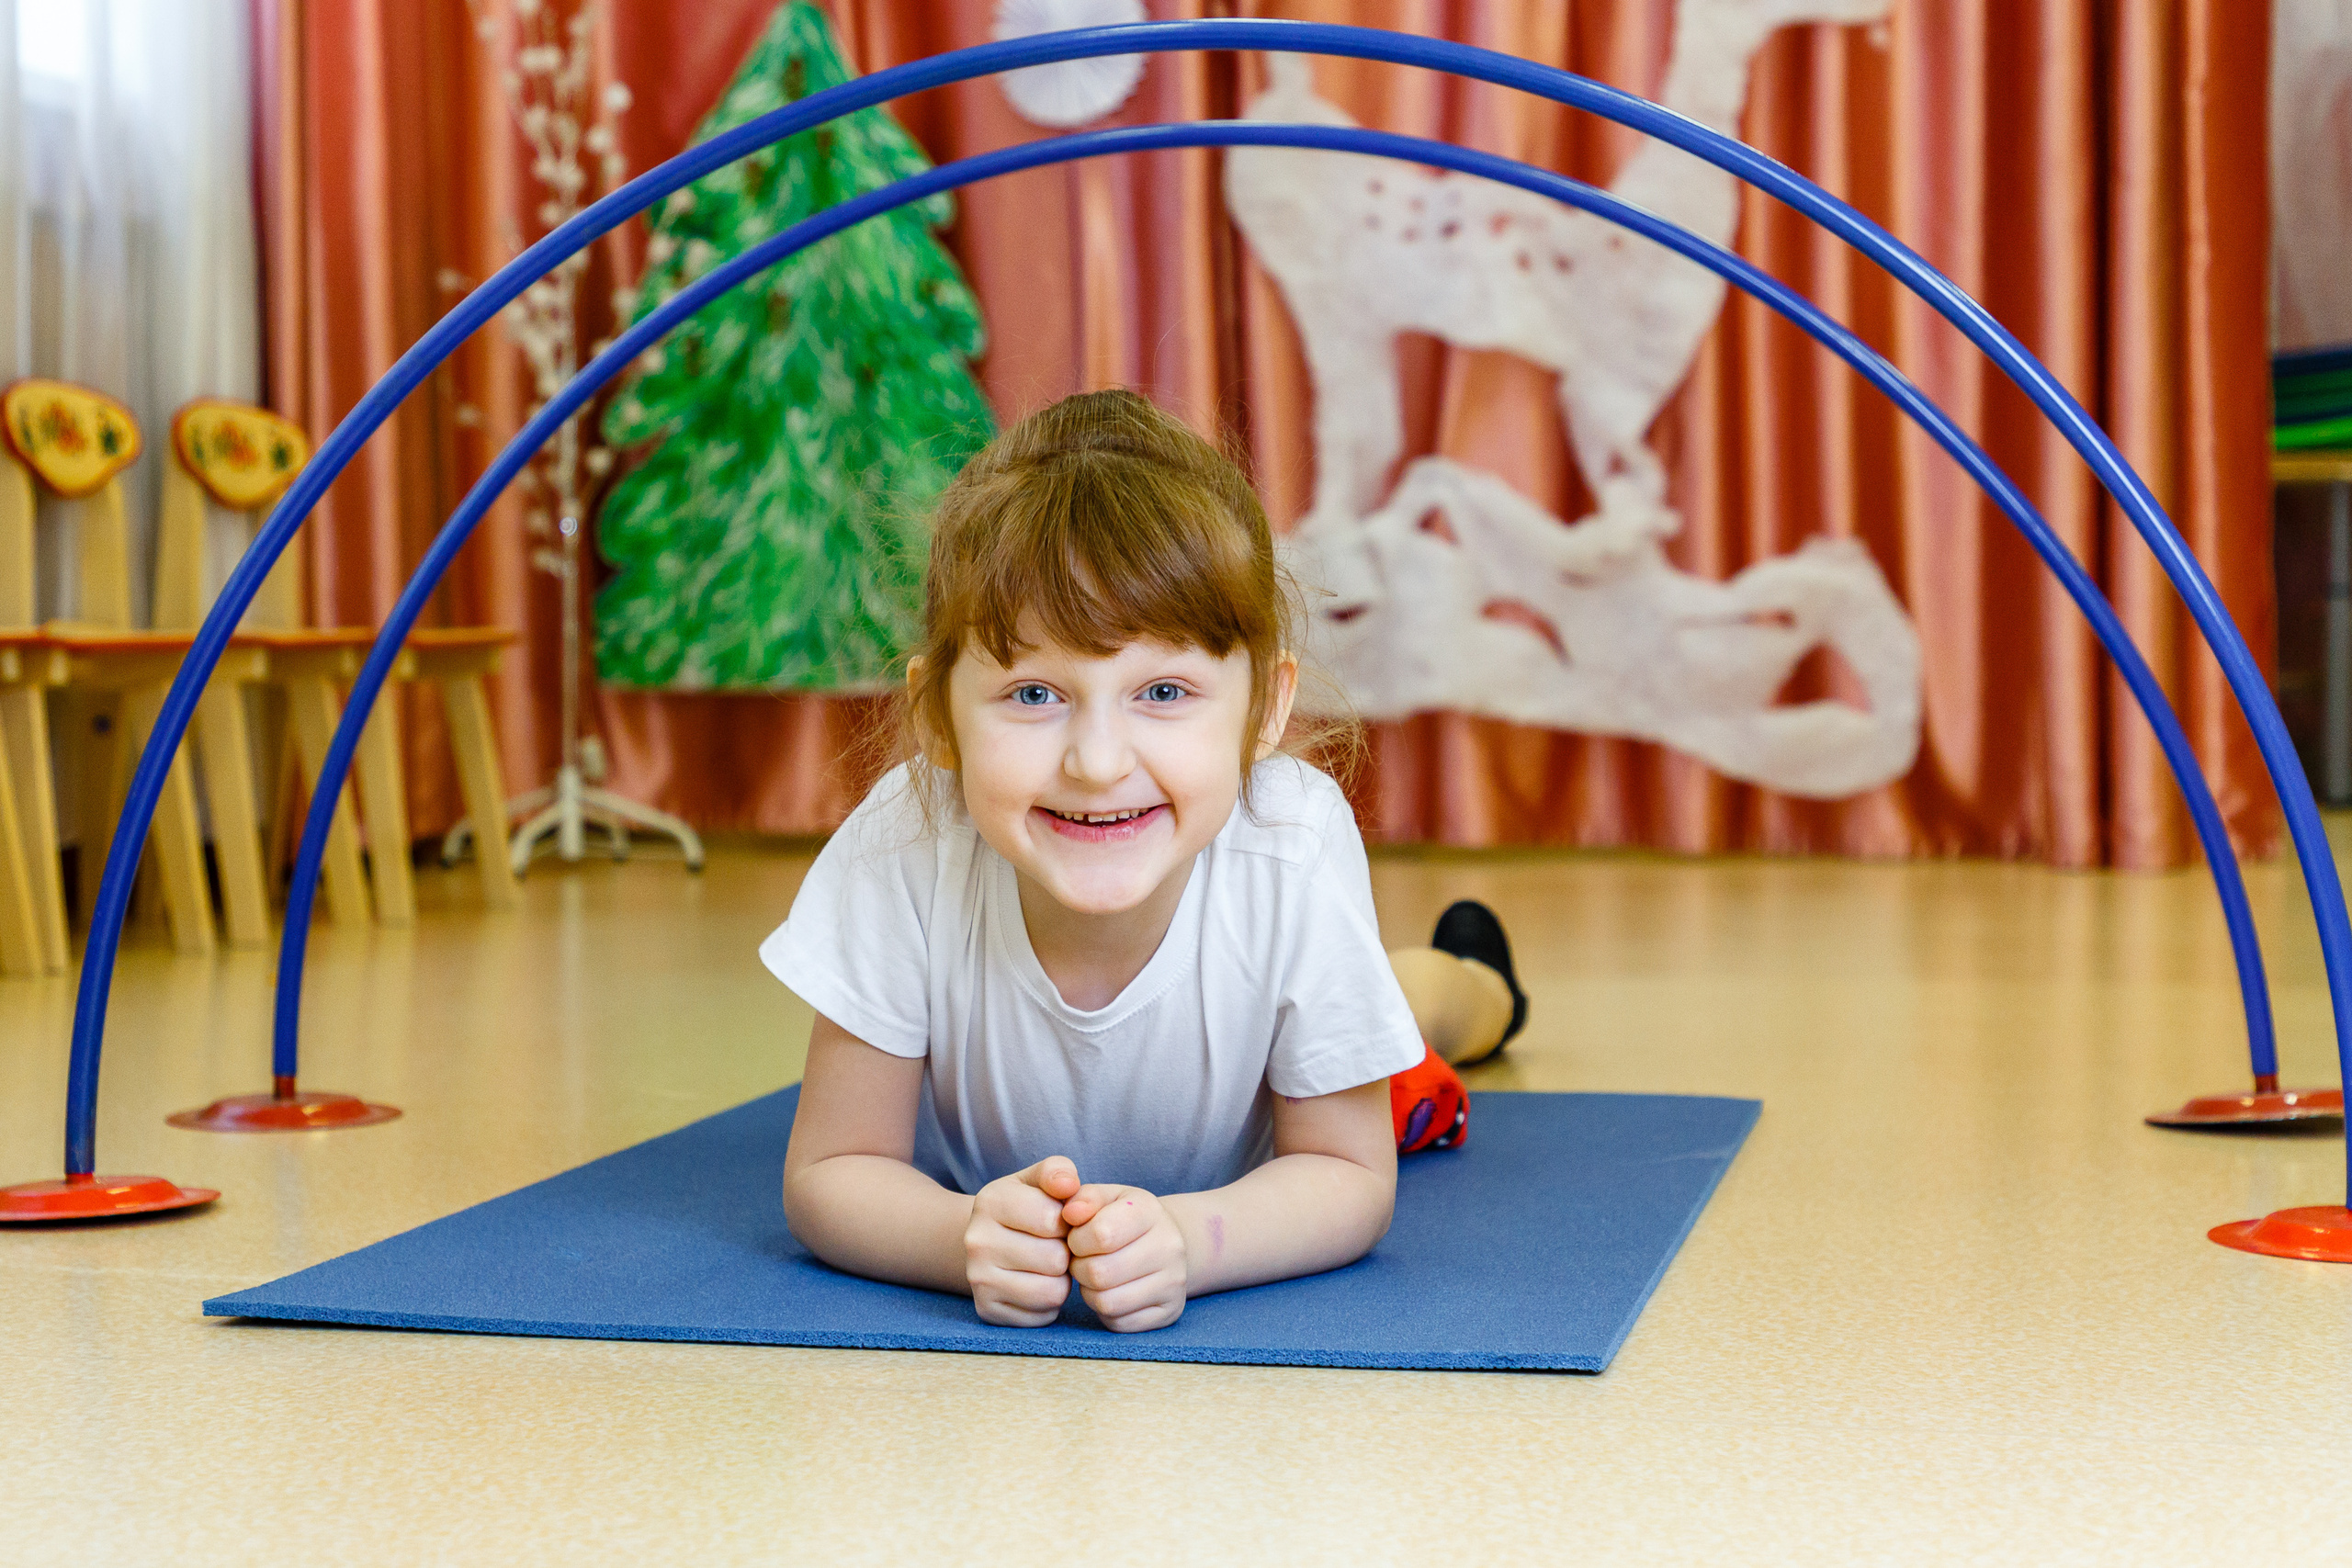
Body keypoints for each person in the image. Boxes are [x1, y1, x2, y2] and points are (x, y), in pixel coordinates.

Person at [769, 389, 1528, 1334]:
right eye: (1035, 692)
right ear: (937, 718)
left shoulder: (1290, 842)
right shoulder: (906, 841)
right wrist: (958, 1237)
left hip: (1282, 1087)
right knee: (1365, 1016)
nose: (1096, 762)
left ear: (1264, 710)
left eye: (1163, 690)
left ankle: (1477, 981)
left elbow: (1345, 1173)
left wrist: (1193, 1241)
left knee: (1414, 1031)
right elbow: (832, 1170)